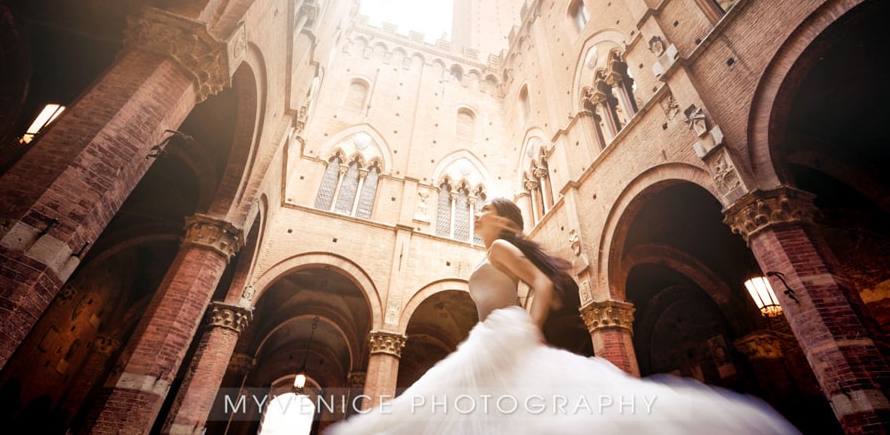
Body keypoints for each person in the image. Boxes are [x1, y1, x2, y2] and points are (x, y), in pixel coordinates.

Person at [326, 198, 800, 434]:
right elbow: (542, 287)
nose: (478, 217)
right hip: (493, 336)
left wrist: (523, 329)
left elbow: (543, 284)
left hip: (501, 335)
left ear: (506, 222)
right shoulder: (497, 247)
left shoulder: (498, 246)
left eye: (486, 210)